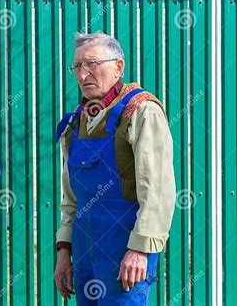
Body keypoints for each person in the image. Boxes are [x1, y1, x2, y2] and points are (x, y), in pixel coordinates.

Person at [54, 32, 176, 305]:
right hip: (84, 251)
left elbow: (158, 191)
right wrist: (64, 250)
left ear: (118, 67)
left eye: (92, 64)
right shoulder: (76, 122)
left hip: (125, 252)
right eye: (77, 67)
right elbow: (71, 198)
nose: (83, 74)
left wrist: (140, 250)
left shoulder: (141, 111)